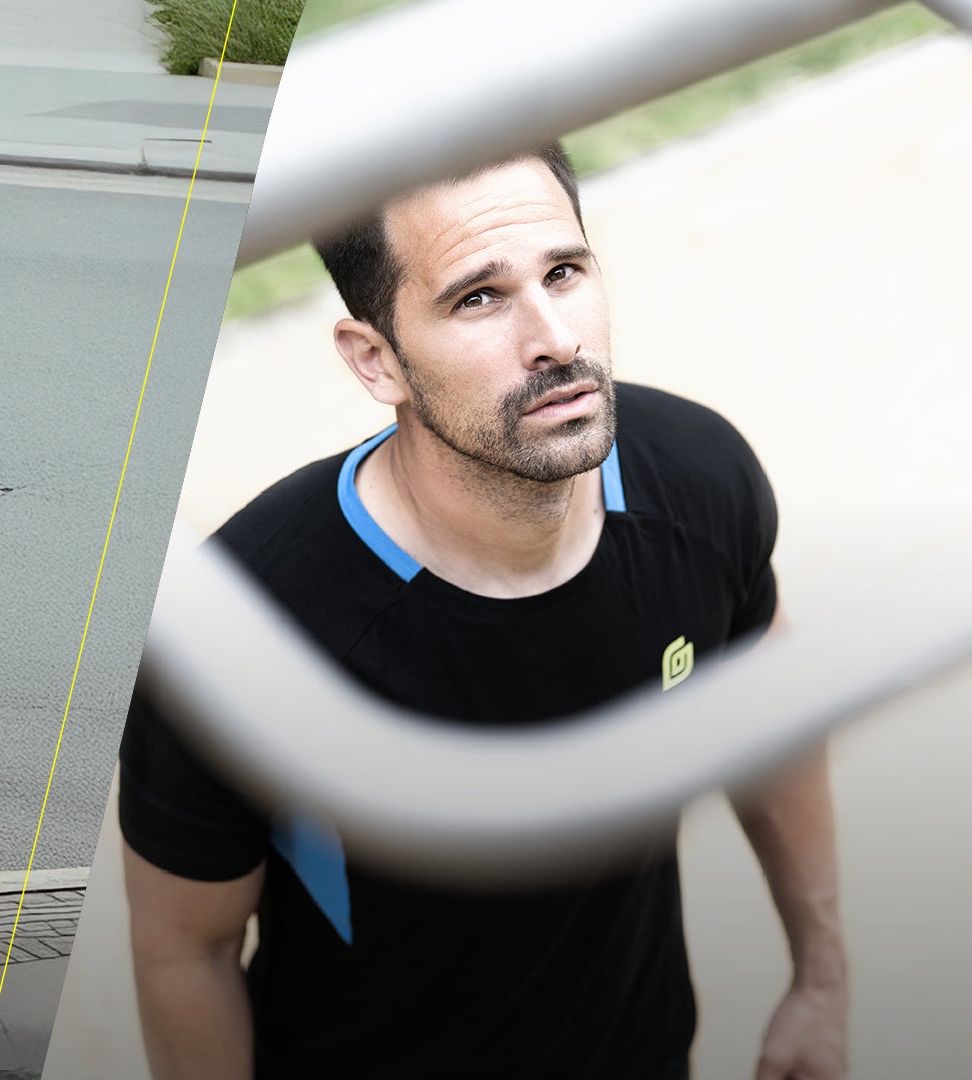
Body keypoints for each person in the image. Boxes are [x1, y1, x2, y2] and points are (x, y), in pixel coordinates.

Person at [118, 145, 846, 1080]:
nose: (556, 339)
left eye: (564, 271)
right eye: (479, 297)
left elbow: (773, 729)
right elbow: (187, 950)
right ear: (375, 359)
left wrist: (823, 981)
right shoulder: (246, 631)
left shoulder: (700, 480)